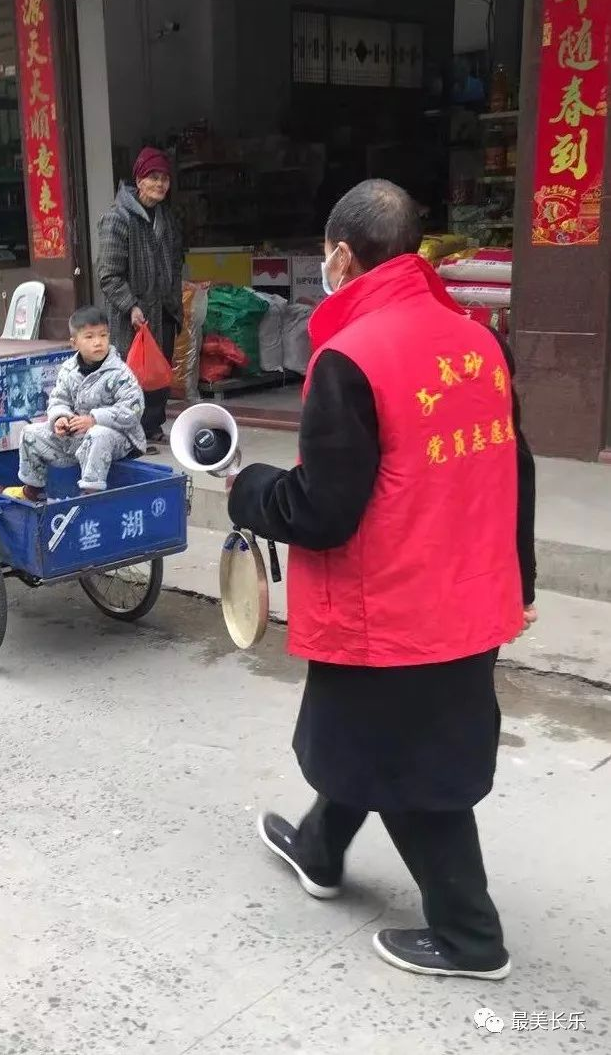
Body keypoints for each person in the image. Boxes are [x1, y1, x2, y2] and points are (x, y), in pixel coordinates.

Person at [228, 179, 537, 982]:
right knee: (367, 741)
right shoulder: (477, 341)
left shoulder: (351, 356)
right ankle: (320, 849)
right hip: (469, 589)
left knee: (409, 768)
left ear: (339, 253)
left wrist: (247, 489)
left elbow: (323, 511)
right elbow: (519, 466)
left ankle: (471, 939)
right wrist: (520, 580)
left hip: (392, 607)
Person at [4, 307, 145, 501]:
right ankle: (32, 491)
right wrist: (60, 418)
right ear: (74, 343)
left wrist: (95, 419)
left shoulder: (120, 373)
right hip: (78, 437)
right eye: (89, 337)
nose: (98, 342)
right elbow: (58, 399)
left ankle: (89, 495)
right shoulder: (68, 369)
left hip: (117, 439)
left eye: (103, 335)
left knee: (98, 434)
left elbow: (133, 410)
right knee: (30, 433)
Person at [97, 146, 183, 445]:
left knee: (158, 374)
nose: (159, 184)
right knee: (133, 377)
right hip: (132, 317)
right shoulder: (118, 219)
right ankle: (131, 435)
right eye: (153, 177)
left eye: (164, 179)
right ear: (139, 180)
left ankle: (152, 428)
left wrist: (176, 304)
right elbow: (108, 274)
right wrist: (130, 305)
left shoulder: (166, 218)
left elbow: (174, 262)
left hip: (164, 310)